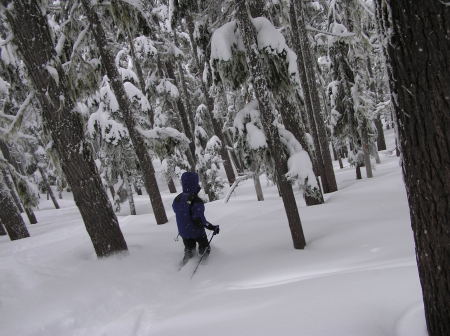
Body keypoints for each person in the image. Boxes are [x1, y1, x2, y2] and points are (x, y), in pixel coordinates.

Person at [172, 172, 219, 265]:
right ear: (194, 183)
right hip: (196, 232)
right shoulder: (196, 200)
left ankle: (183, 265)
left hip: (183, 232)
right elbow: (199, 220)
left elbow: (178, 211)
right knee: (205, 249)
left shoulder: (177, 198)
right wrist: (212, 227)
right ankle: (203, 265)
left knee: (189, 250)